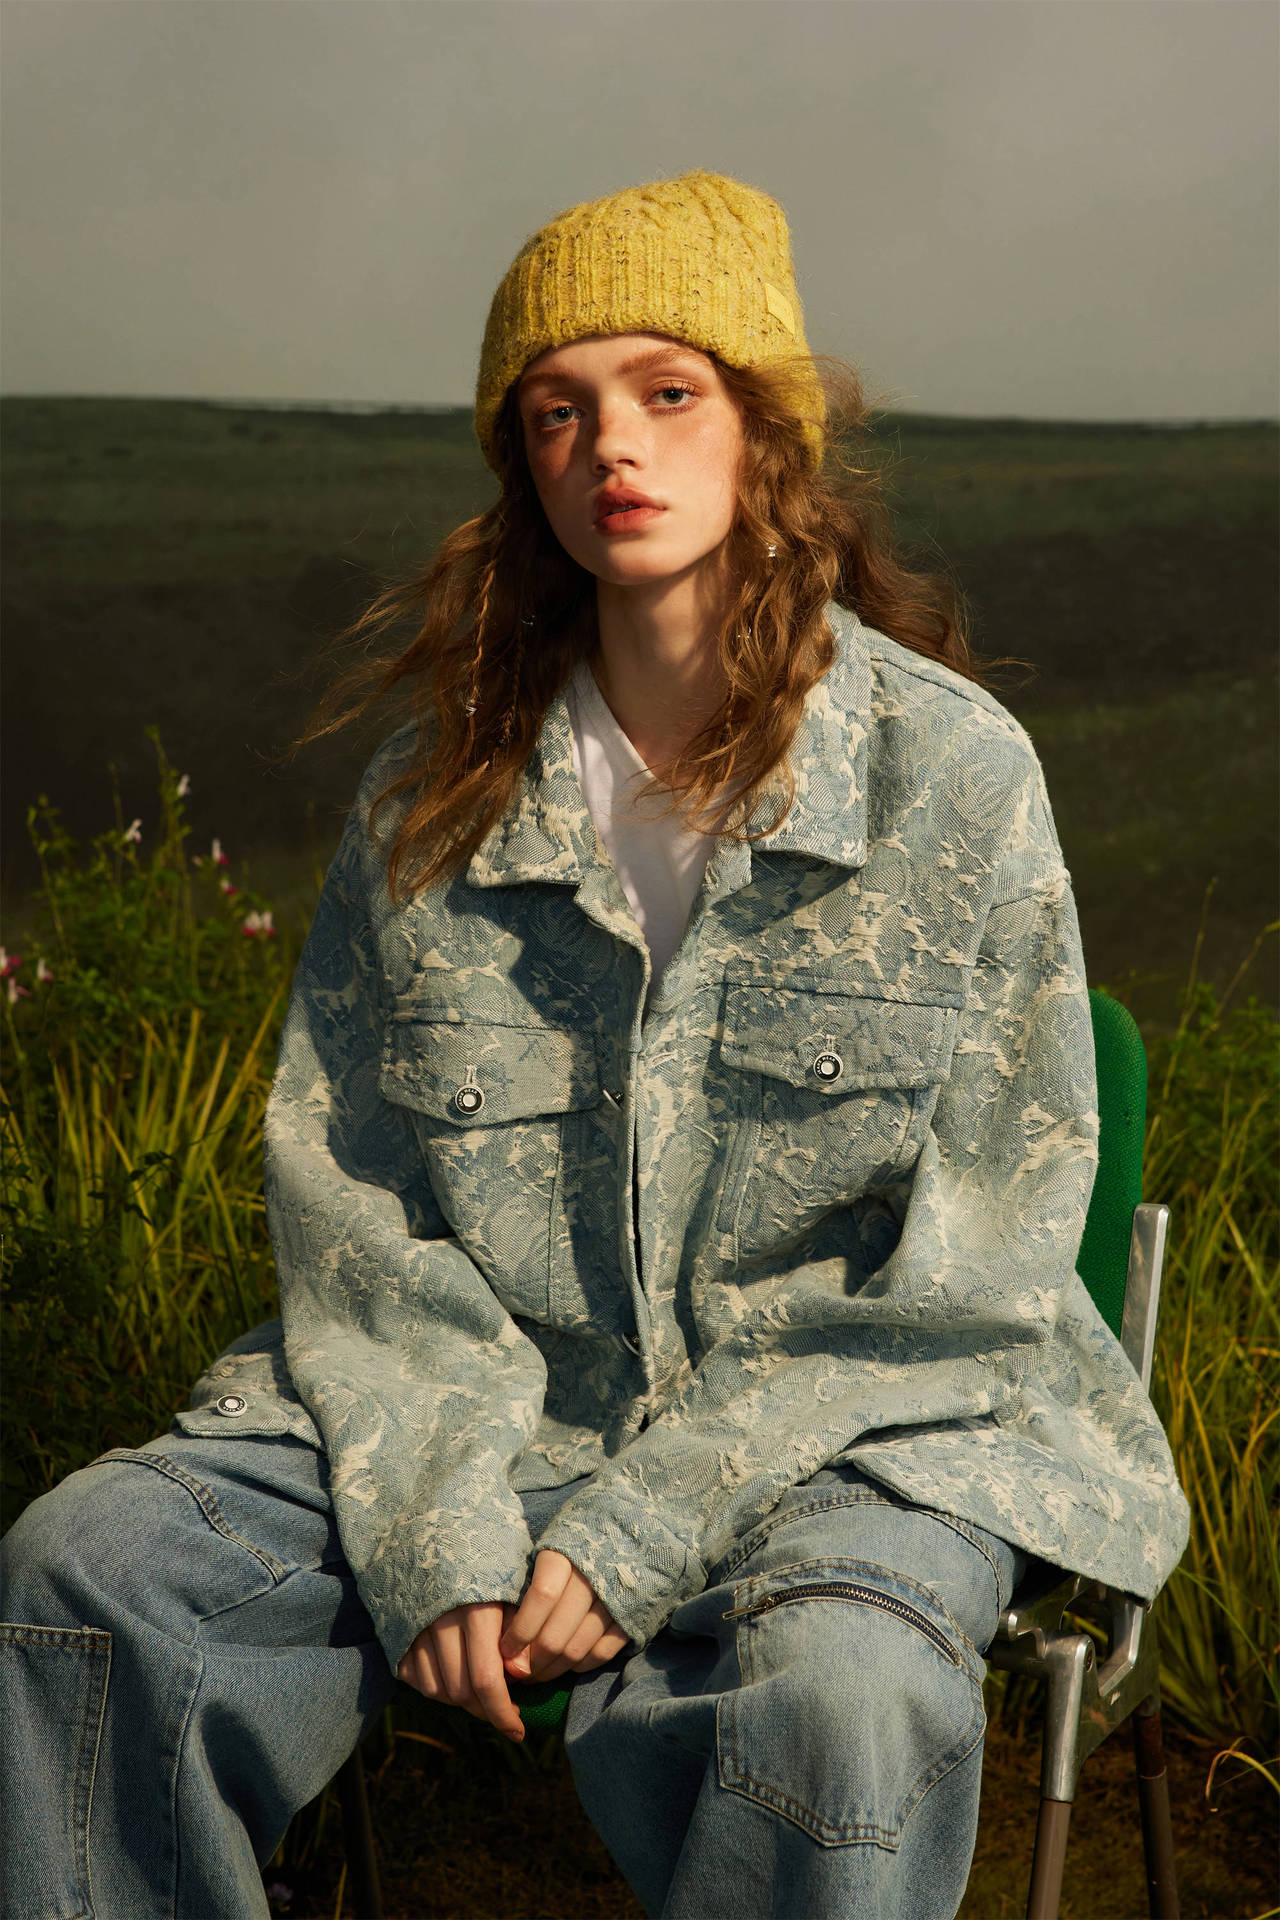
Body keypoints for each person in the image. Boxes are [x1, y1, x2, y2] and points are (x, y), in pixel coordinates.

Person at [1, 168, 1189, 1920]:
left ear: (767, 427)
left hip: (852, 1436)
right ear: (520, 466)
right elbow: (357, 1214)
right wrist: (435, 1521)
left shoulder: (952, 775)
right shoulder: (427, 801)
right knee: (83, 1577)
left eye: (667, 391)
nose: (610, 446)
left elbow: (977, 1273)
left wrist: (643, 1524)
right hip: (480, 1415)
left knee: (845, 1701)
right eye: (555, 412)